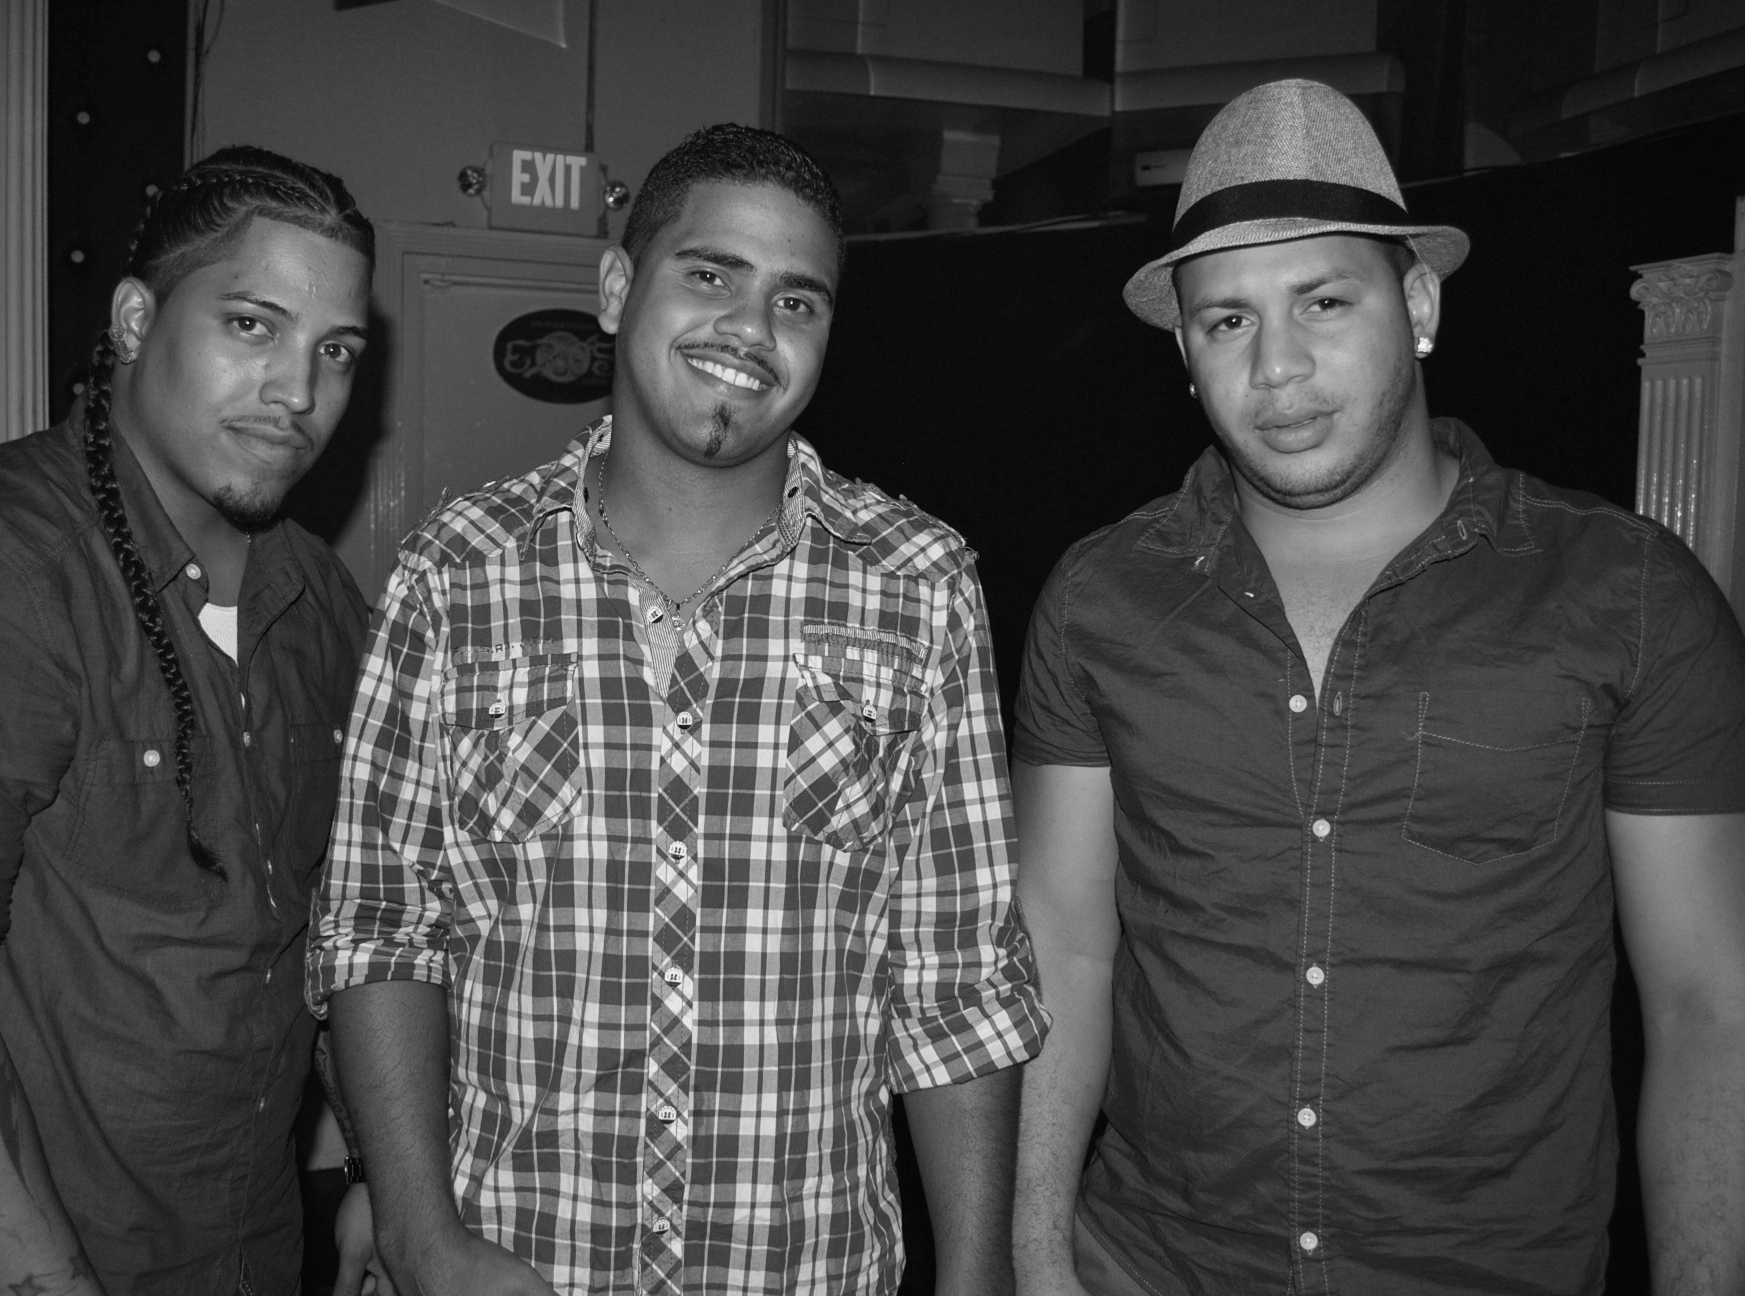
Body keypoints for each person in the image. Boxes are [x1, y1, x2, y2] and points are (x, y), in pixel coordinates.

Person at [1009, 79, 1745, 1296]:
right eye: (1227, 321)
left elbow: (1709, 1005)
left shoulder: (1627, 596)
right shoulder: (1101, 599)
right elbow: (1063, 951)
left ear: (1417, 305)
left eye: (1323, 300)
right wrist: (1034, 1261)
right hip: (1145, 1266)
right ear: (1184, 354)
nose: (1277, 366)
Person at [308, 123, 1047, 1296]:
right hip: (513, 1263)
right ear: (616, 289)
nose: (751, 330)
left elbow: (954, 976)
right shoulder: (456, 574)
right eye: (710, 275)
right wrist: (415, 1233)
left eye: (796, 301)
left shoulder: (919, 584)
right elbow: (384, 927)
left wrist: (976, 1275)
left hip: (806, 1267)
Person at [0, 146, 376, 1296]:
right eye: (253, 326)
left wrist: (380, 1175)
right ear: (133, 320)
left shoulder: (317, 600)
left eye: (337, 351)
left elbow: (343, 932)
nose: (299, 392)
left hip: (245, 1248)